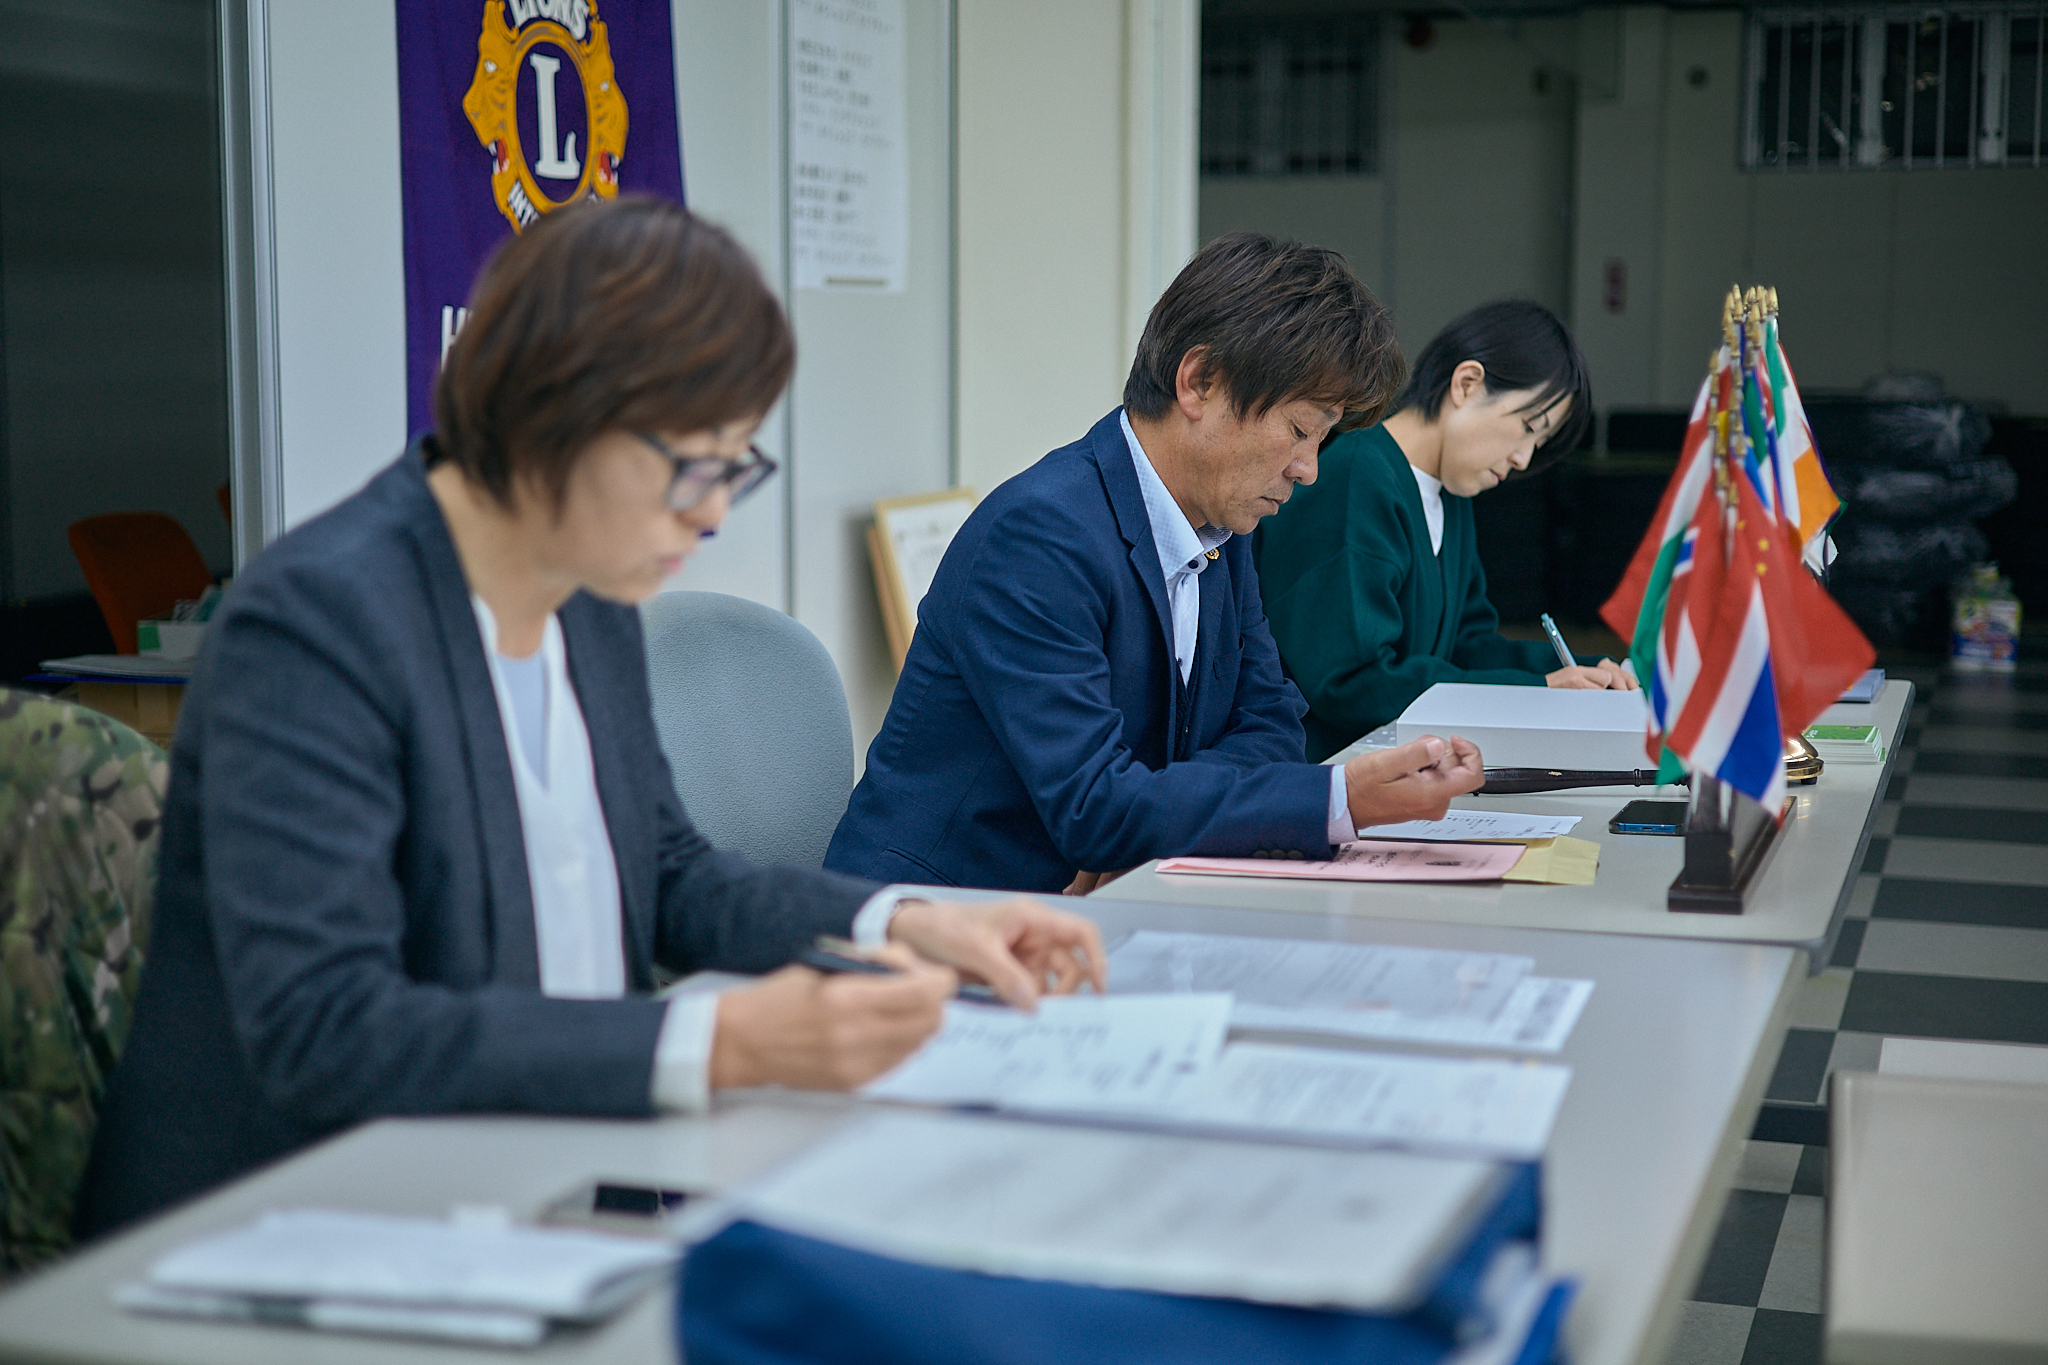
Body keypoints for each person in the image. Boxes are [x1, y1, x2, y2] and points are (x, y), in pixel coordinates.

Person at [72, 198, 1103, 1239]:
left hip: (547, 1185)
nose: (712, 512)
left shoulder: (586, 595)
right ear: (551, 419)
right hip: (285, 1231)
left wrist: (907, 922)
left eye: (735, 466)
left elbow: (667, 874)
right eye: (693, 467)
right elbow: (327, 1028)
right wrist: (720, 1043)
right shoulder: (317, 625)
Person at [824, 232, 1485, 897]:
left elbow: (1273, 724)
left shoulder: (1223, 525)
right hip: (932, 918)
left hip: (1104, 900)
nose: (1307, 469)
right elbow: (1094, 807)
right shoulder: (1038, 536)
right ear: (1200, 382)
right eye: (1298, 430)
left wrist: (1150, 816)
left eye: (1321, 439)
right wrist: (1333, 799)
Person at [1254, 300, 1637, 762]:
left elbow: (1466, 646)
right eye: (1527, 427)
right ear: (1467, 384)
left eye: (1540, 444)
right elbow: (1351, 683)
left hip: (1397, 764)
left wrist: (1582, 673)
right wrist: (1535, 689)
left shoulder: (1449, 493)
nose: (1523, 459)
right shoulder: (1356, 479)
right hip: (1324, 770)